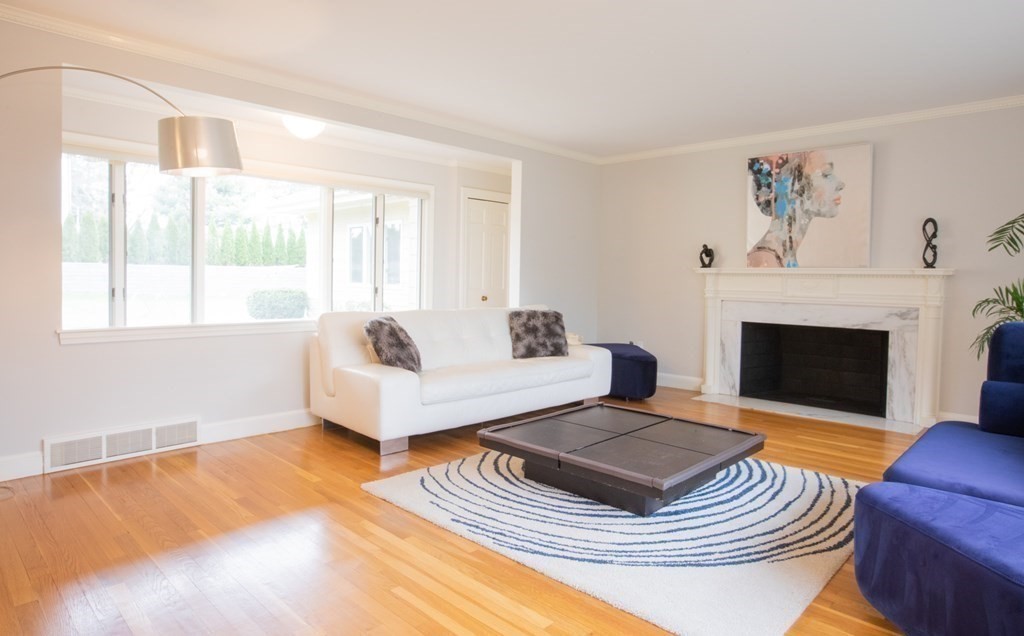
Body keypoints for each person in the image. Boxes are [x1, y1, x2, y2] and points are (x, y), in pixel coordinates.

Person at [746, 150, 845, 267]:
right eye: (826, 173)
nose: (840, 184)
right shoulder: (764, 262)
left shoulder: (783, 257)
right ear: (791, 185)